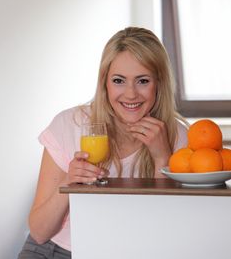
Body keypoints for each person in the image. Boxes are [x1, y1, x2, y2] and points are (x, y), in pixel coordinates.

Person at [18, 26, 188, 258]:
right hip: (56, 250)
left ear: (159, 83)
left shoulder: (177, 136)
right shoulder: (70, 125)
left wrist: (162, 158)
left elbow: (163, 231)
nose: (130, 94)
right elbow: (39, 232)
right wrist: (70, 182)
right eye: (119, 80)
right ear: (104, 83)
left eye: (143, 81)